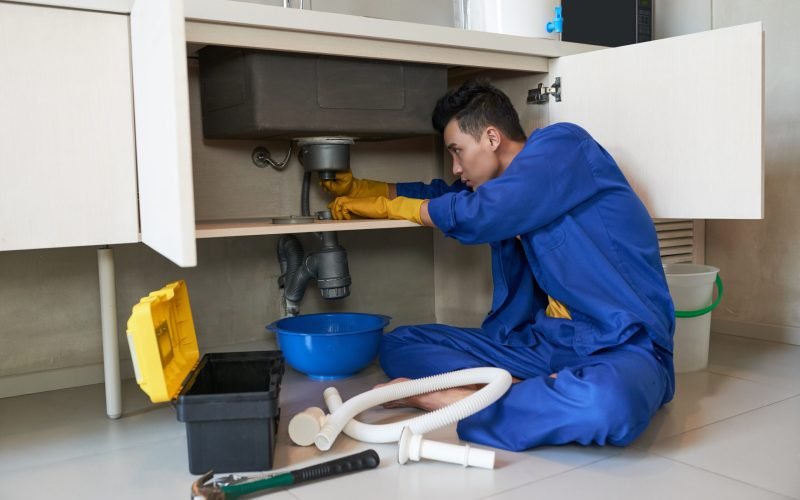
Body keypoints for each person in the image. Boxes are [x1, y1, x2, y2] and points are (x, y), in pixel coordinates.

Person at [321, 79, 675, 451]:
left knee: (609, 405)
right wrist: (366, 189)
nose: (456, 166)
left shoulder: (565, 146)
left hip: (620, 345)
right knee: (400, 344)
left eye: (457, 151)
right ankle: (531, 395)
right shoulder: (500, 186)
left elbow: (480, 213)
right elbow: (444, 195)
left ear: (492, 138)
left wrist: (395, 208)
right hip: (542, 343)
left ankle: (447, 399)